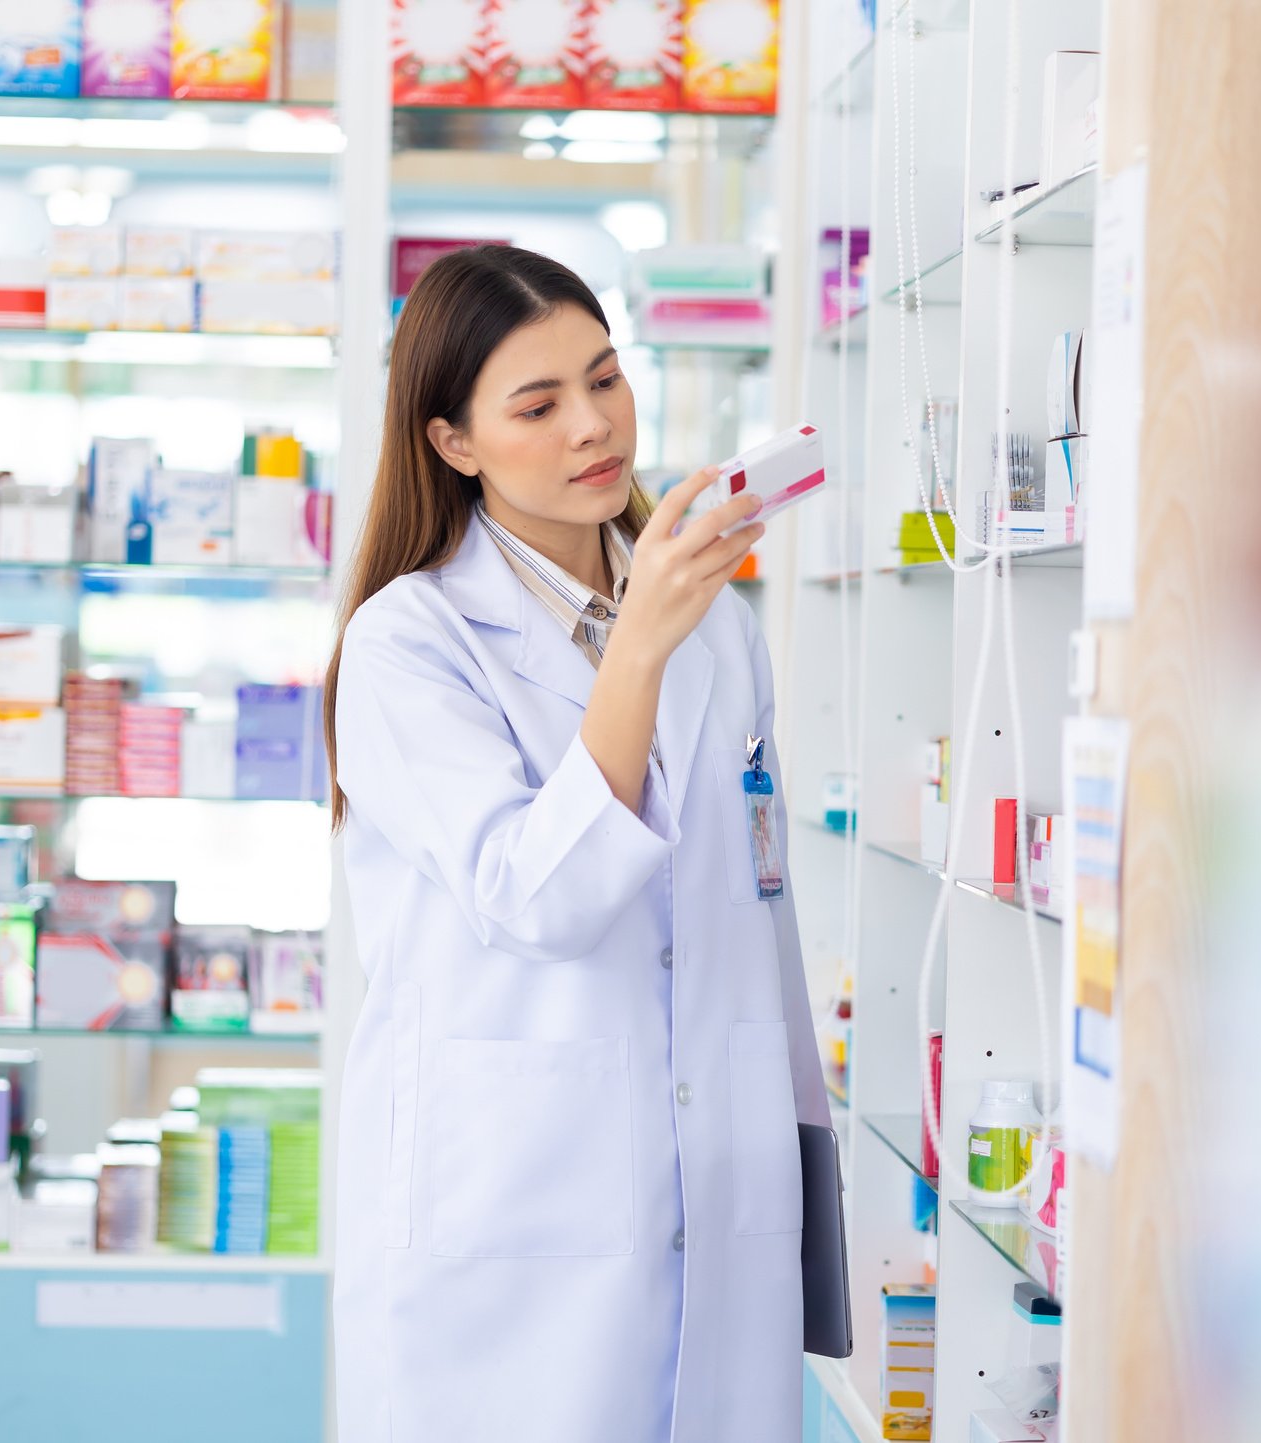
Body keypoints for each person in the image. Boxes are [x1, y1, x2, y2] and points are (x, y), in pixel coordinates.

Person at [324, 244, 829, 1443]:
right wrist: (639, 651)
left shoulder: (719, 633)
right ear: (453, 441)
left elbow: (752, 916)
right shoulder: (412, 643)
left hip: (716, 1195)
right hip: (512, 1214)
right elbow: (535, 899)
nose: (593, 426)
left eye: (605, 379)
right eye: (538, 404)